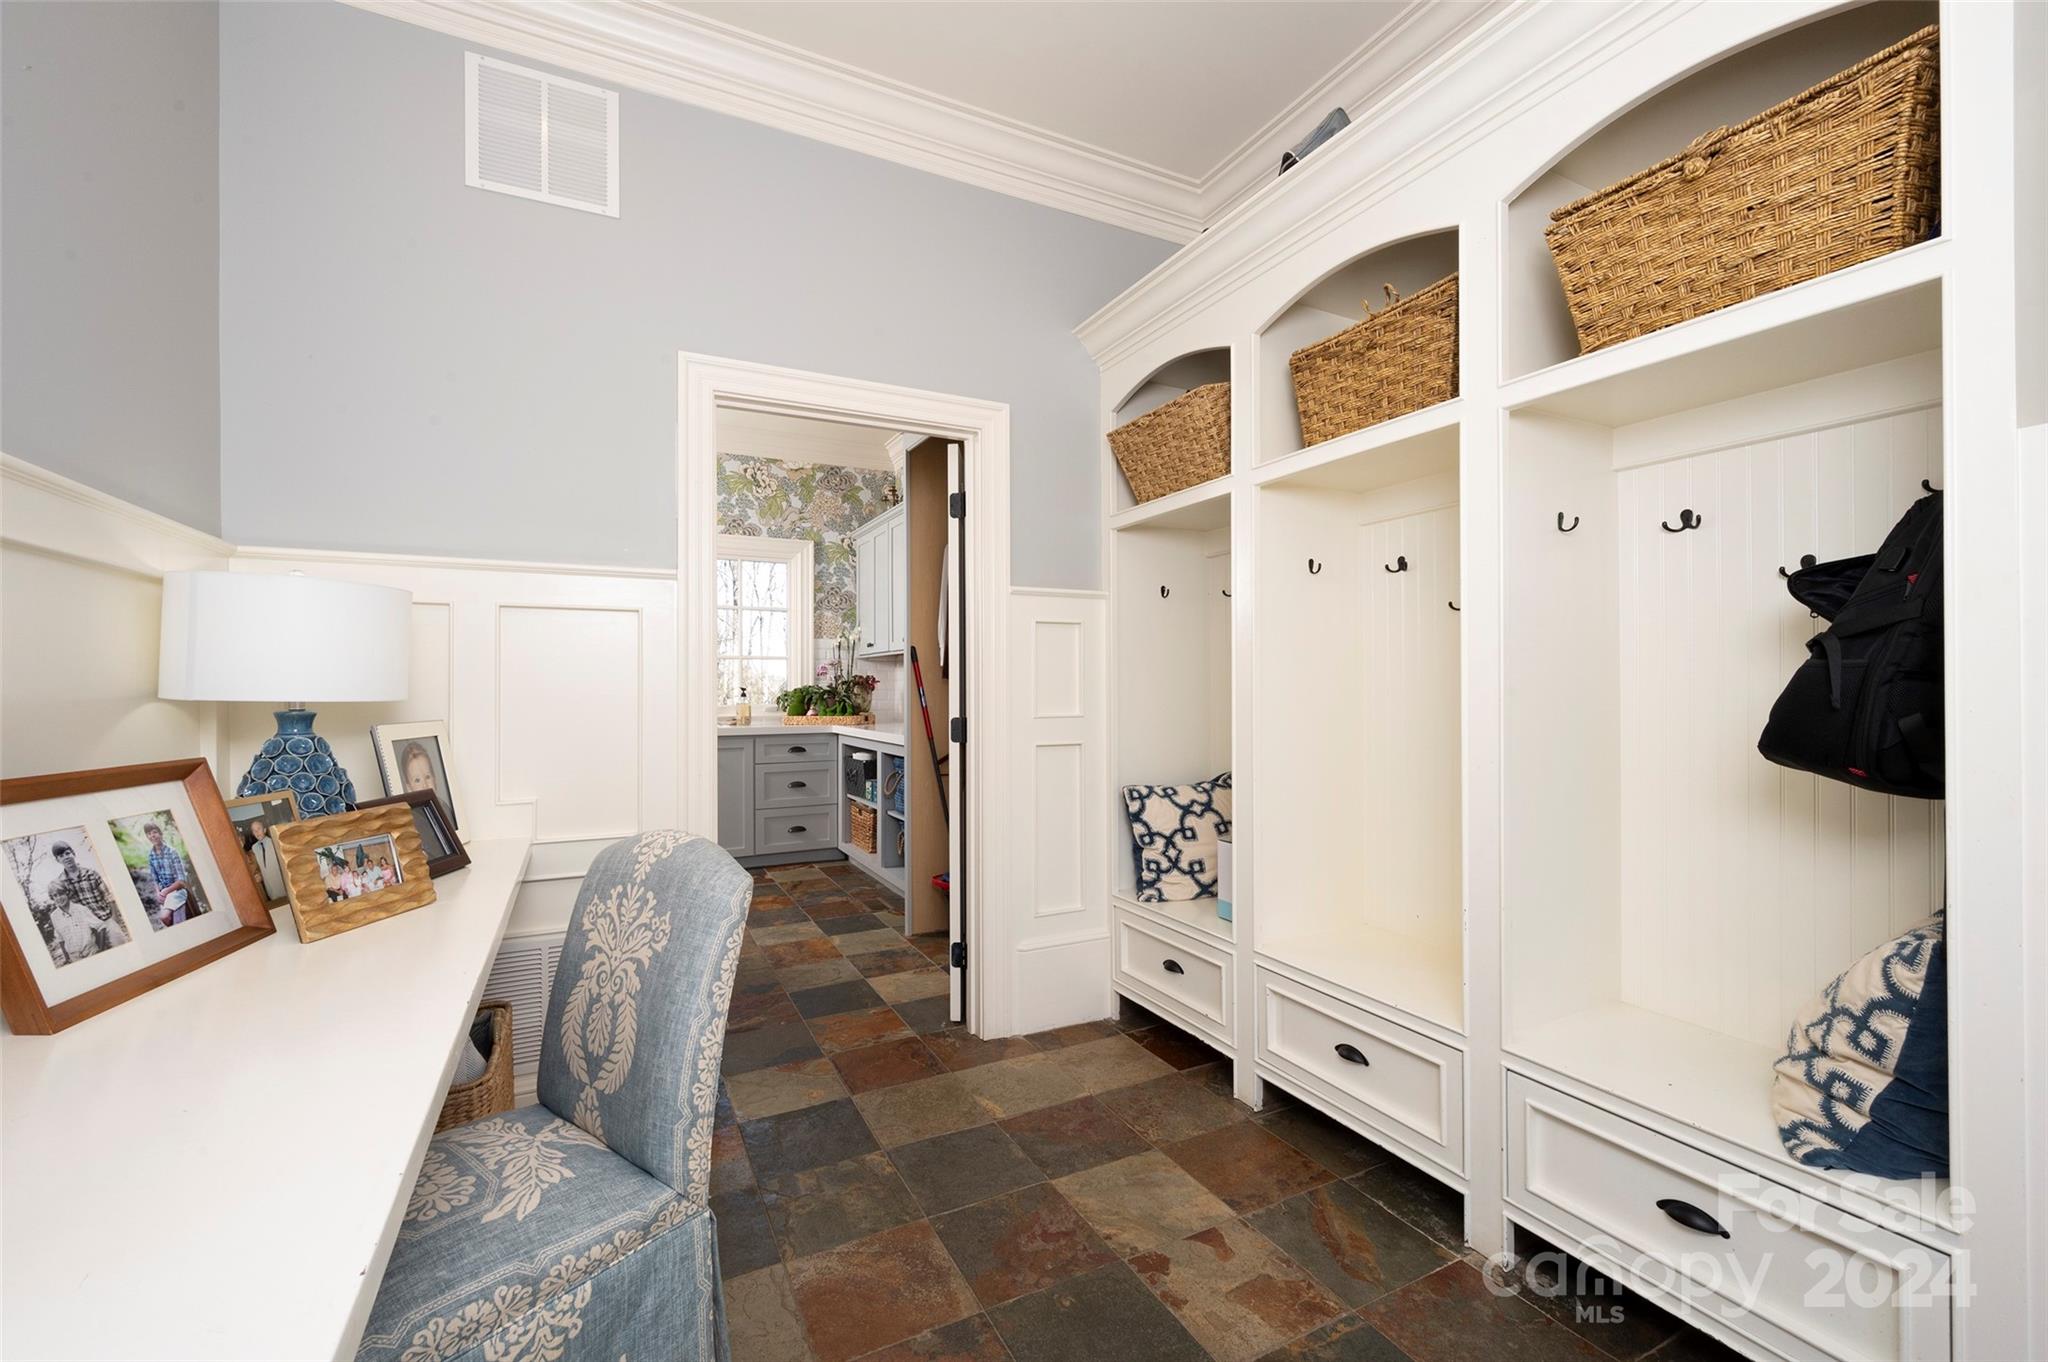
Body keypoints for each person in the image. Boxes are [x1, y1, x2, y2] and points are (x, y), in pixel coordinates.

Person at [44, 840, 129, 960]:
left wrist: (115, 919)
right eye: (61, 856)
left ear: (73, 853)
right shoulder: (61, 882)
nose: (66, 857)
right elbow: (64, 906)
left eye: (67, 853)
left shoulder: (91, 874)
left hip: (104, 919)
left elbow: (109, 897)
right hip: (84, 928)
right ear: (58, 860)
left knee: (122, 948)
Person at [143, 822, 196, 928]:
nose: (152, 836)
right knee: (168, 921)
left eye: (155, 832)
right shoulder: (151, 855)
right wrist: (158, 893)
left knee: (165, 917)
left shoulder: (172, 852)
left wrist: (166, 892)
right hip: (164, 894)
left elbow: (182, 881)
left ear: (160, 834)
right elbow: (155, 879)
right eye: (149, 834)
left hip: (176, 891)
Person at [243, 817, 285, 900]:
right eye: (254, 830)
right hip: (270, 889)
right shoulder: (254, 848)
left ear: (265, 830)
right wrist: (259, 874)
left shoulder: (275, 842)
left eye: (259, 828)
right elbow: (258, 867)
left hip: (281, 885)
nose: (257, 832)